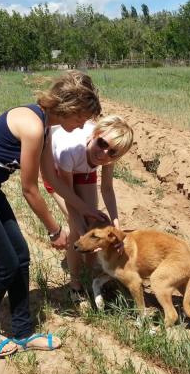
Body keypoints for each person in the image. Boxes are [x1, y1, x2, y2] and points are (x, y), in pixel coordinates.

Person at [0, 71, 106, 358]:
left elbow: (53, 181)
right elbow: (30, 190)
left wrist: (88, 210)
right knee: (6, 264)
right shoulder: (32, 127)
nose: (83, 124)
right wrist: (55, 230)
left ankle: (23, 333)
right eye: (83, 117)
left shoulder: (44, 126)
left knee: (20, 257)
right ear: (69, 108)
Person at [43, 115, 133, 301]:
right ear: (95, 134)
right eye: (102, 143)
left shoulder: (107, 155)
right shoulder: (69, 149)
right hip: (59, 173)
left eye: (113, 153)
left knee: (95, 224)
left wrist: (117, 228)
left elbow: (107, 189)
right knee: (78, 228)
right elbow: (70, 197)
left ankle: (92, 277)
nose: (104, 153)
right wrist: (82, 231)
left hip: (84, 170)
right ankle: (75, 285)